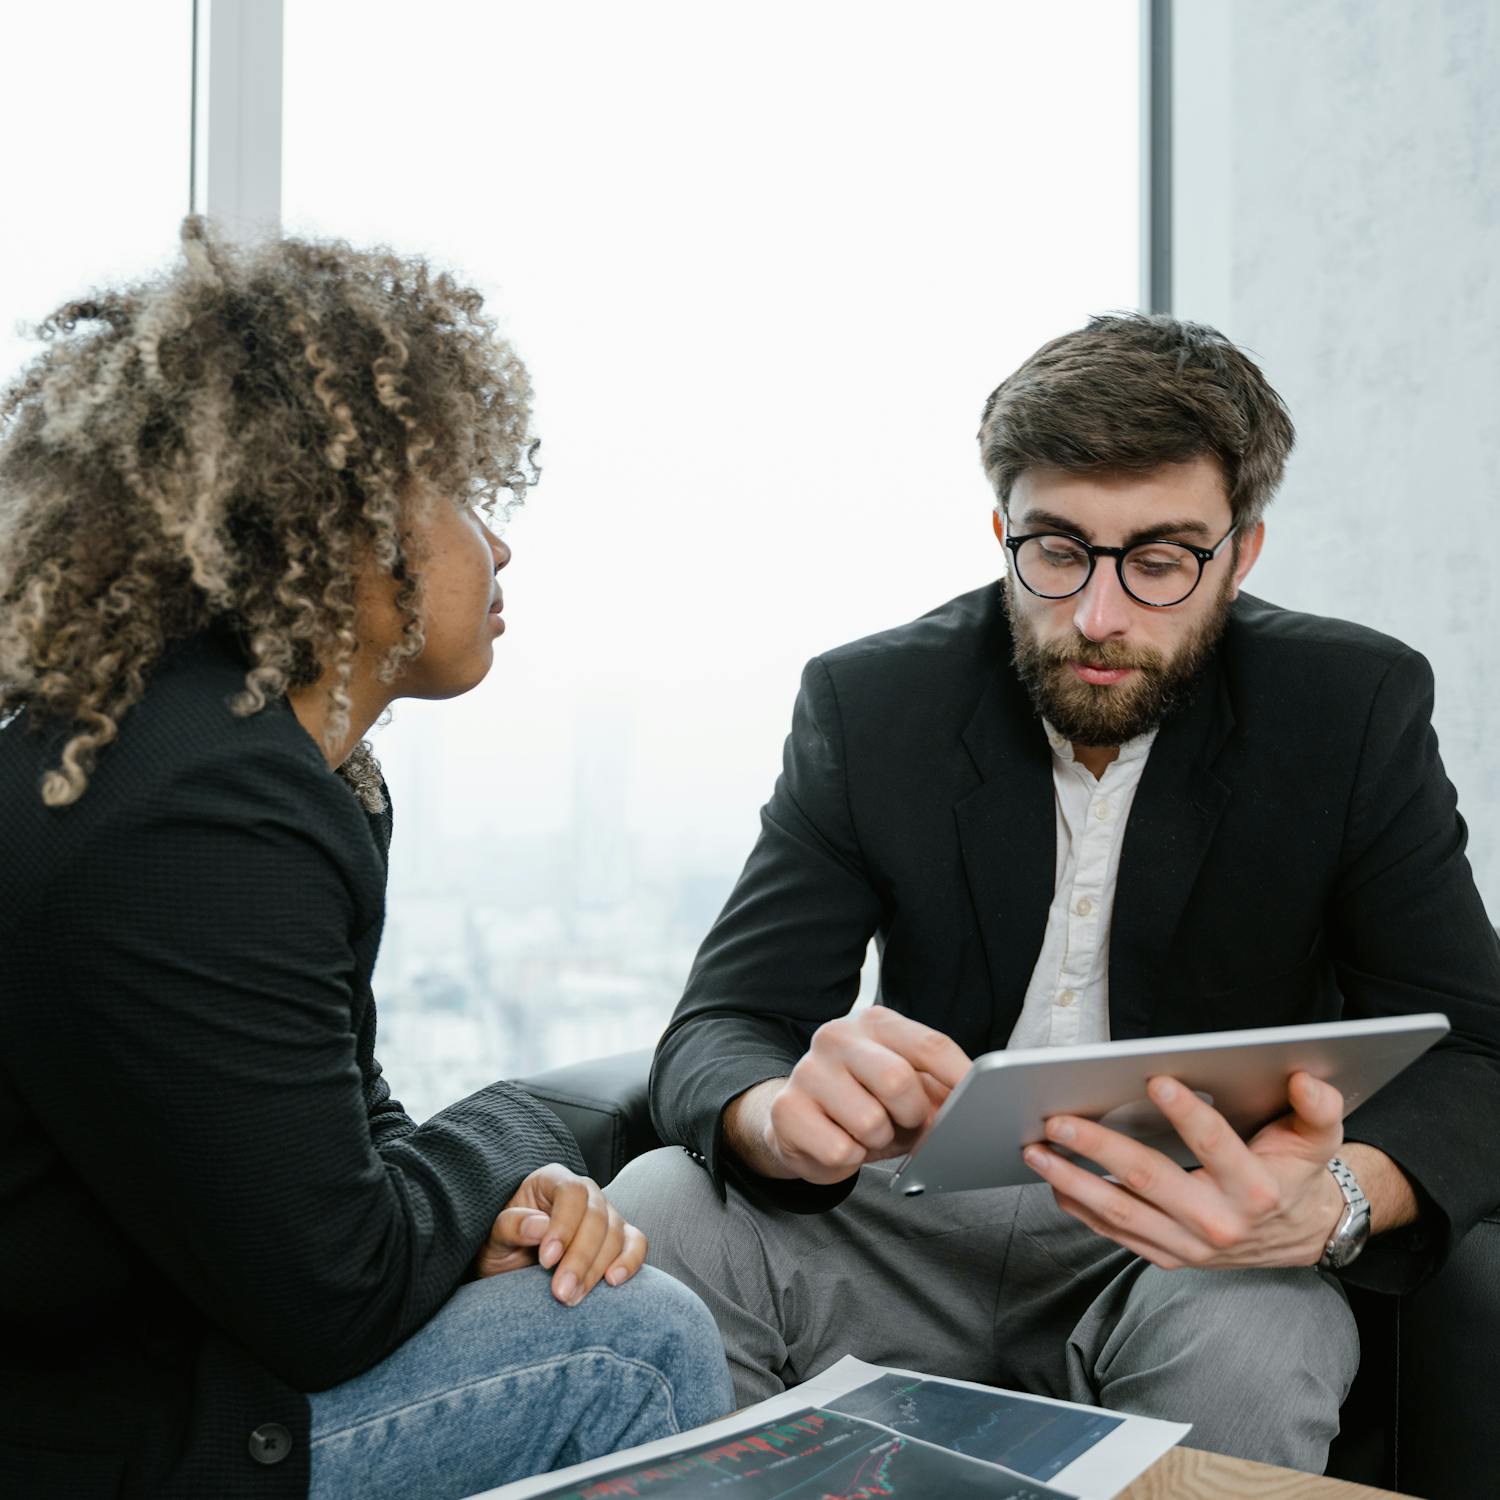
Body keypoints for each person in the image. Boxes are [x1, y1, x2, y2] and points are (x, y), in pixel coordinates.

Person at [608, 312, 1500, 1473]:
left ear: (1242, 554)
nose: (1098, 615)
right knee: (661, 1203)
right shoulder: (873, 702)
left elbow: (1479, 1051)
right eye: (1058, 551)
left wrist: (1331, 1197)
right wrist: (776, 1117)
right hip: (901, 1209)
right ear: (1002, 530)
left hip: (1184, 1236)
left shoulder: (1351, 706)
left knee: (1262, 1335)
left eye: (1163, 559)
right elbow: (727, 1021)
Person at [0, 221, 733, 1500]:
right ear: (335, 520)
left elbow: (339, 1130)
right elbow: (334, 1295)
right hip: (80, 1433)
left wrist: (506, 1198)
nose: (497, 549)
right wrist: (514, 1134)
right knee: (633, 1345)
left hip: (124, 1356)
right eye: (462, 499)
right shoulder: (204, 813)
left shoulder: (232, 759)